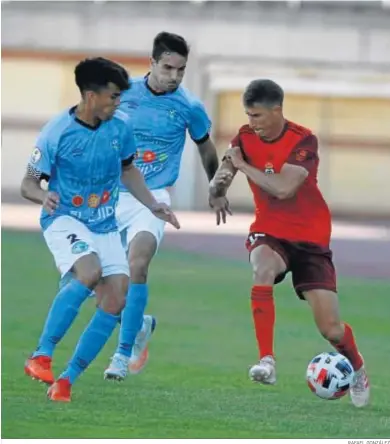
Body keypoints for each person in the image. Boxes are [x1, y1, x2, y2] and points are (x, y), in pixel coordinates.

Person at [21, 57, 179, 402]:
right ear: (90, 95)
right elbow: (29, 184)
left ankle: (65, 380)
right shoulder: (56, 132)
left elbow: (128, 171)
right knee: (89, 271)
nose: (117, 103)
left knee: (116, 296)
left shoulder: (119, 129)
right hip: (65, 219)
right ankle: (41, 355)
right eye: (112, 97)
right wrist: (43, 196)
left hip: (104, 223)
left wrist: (152, 204)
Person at [208, 79, 370, 408]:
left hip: (311, 237)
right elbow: (226, 168)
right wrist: (219, 186)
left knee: (332, 330)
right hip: (270, 230)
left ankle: (358, 368)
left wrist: (242, 165)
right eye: (248, 116)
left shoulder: (303, 140)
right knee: (263, 268)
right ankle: (266, 360)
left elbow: (283, 188)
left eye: (257, 116)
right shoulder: (244, 137)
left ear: (277, 111)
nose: (251, 123)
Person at [101, 31, 223, 381]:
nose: (174, 76)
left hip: (153, 198)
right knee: (103, 282)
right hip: (110, 194)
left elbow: (205, 147)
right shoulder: (122, 94)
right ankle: (139, 325)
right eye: (168, 67)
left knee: (137, 264)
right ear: (151, 62)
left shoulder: (189, 106)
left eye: (181, 70)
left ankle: (122, 356)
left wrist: (216, 187)